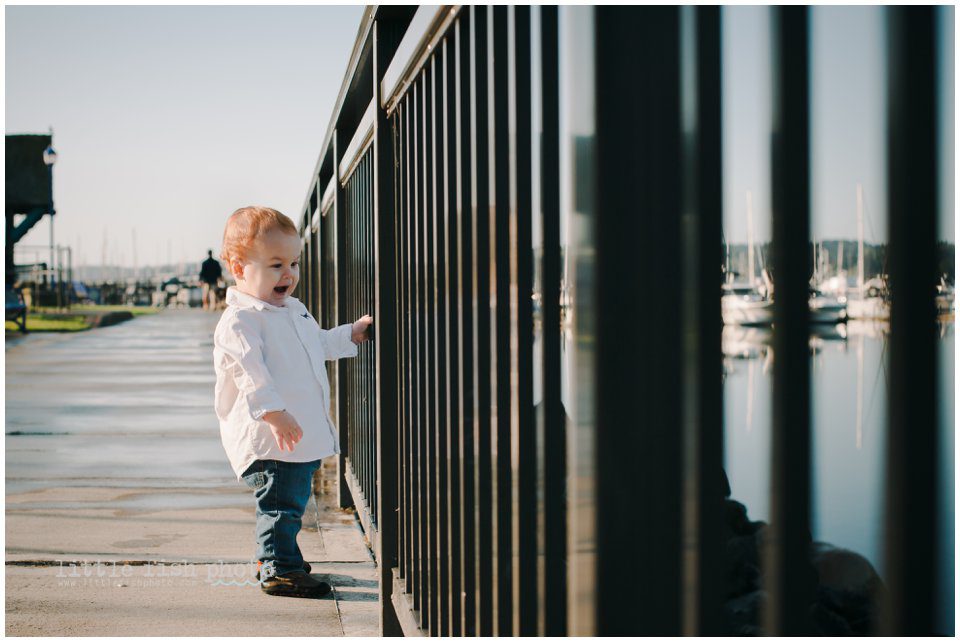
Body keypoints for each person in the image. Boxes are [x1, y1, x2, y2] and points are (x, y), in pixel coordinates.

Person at [212, 206, 373, 599]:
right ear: (239, 268)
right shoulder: (241, 321)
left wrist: (351, 333)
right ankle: (278, 568)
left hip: (293, 434)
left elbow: (316, 344)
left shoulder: (292, 310)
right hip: (270, 438)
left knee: (292, 501)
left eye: (294, 263)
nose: (289, 274)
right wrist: (273, 413)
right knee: (280, 505)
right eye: (276, 265)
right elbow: (250, 373)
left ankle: (282, 557)